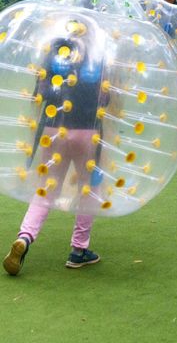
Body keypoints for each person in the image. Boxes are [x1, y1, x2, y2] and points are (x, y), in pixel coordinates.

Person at [3, 30, 109, 276]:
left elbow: (39, 94)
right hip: (86, 133)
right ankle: (79, 250)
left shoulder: (54, 54)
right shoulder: (98, 55)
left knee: (46, 190)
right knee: (87, 188)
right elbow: (105, 99)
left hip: (52, 131)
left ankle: (25, 237)